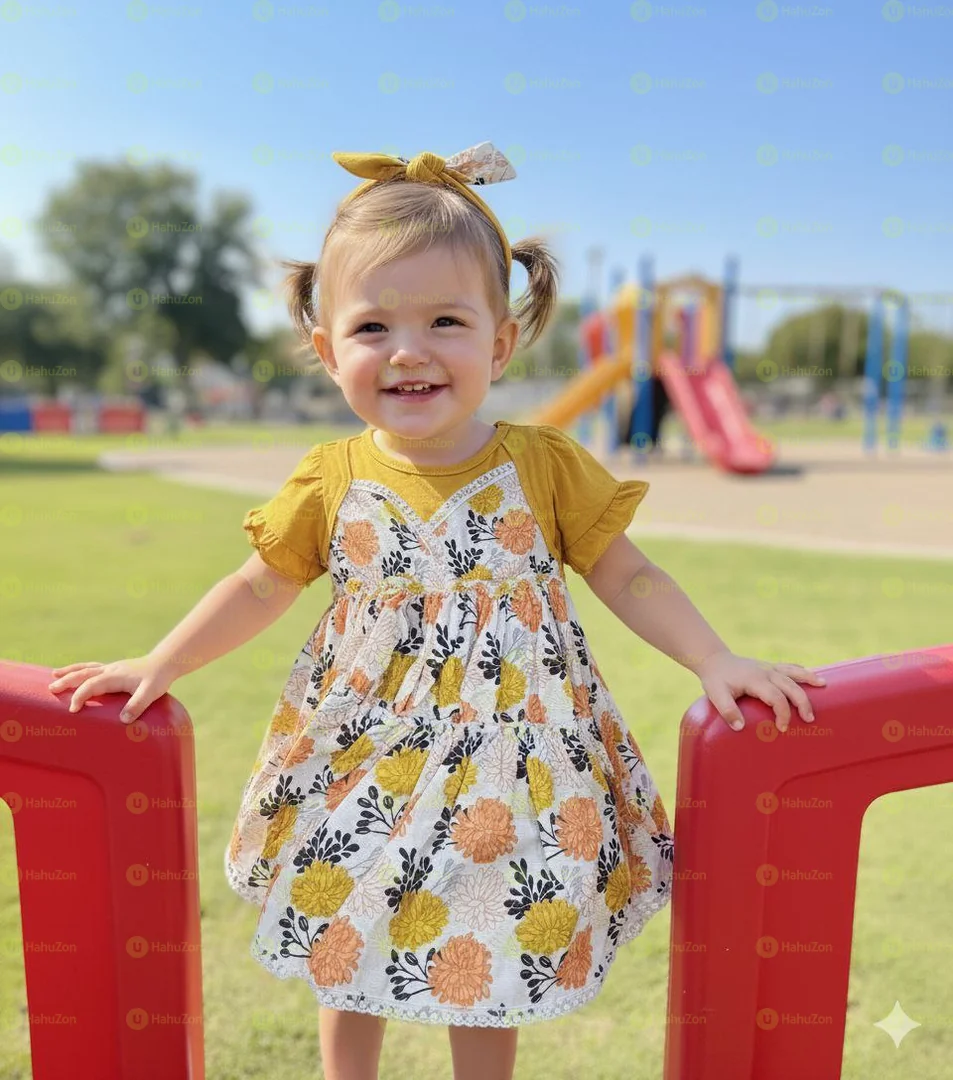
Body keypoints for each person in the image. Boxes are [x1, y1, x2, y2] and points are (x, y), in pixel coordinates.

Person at [46, 142, 826, 1080]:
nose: (408, 350)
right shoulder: (332, 478)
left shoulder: (540, 465)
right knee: (346, 929)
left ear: (498, 343)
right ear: (328, 350)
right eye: (373, 326)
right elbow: (258, 585)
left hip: (511, 756)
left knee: (483, 943)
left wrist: (714, 659)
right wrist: (160, 662)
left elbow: (628, 575)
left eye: (446, 321)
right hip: (362, 752)